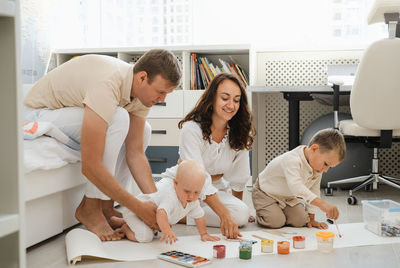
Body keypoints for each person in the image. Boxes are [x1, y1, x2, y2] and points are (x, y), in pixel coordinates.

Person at [23, 49, 182, 241]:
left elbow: (135, 153)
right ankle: (89, 208)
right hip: (38, 115)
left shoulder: (141, 95)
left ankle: (107, 207)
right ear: (142, 78)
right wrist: (136, 206)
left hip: (70, 113)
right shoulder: (108, 82)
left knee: (144, 129)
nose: (162, 99)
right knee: (119, 117)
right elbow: (90, 165)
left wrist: (157, 207)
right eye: (161, 91)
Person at [160, 72, 256, 239]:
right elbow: (198, 176)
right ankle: (176, 213)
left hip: (214, 190)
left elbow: (239, 178)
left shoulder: (238, 132)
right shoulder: (192, 129)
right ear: (212, 98)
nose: (231, 105)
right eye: (225, 98)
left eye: (236, 100)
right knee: (158, 202)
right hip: (182, 187)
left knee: (241, 214)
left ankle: (179, 215)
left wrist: (237, 207)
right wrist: (224, 215)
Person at [252, 128, 346, 229]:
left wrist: (311, 218)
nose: (326, 170)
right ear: (314, 149)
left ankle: (279, 211)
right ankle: (265, 211)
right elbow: (296, 187)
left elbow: (314, 191)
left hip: (287, 197)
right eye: (326, 164)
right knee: (276, 222)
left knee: (300, 220)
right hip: (266, 192)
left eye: (329, 167)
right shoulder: (292, 159)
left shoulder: (317, 168)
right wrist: (322, 204)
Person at [112, 160, 221, 244]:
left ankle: (122, 221)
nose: (191, 196)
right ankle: (126, 228)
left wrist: (204, 234)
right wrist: (166, 230)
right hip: (136, 213)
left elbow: (199, 217)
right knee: (146, 237)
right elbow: (161, 212)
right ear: (175, 183)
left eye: (197, 192)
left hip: (147, 219)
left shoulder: (192, 200)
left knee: (151, 231)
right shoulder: (171, 196)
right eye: (187, 191)